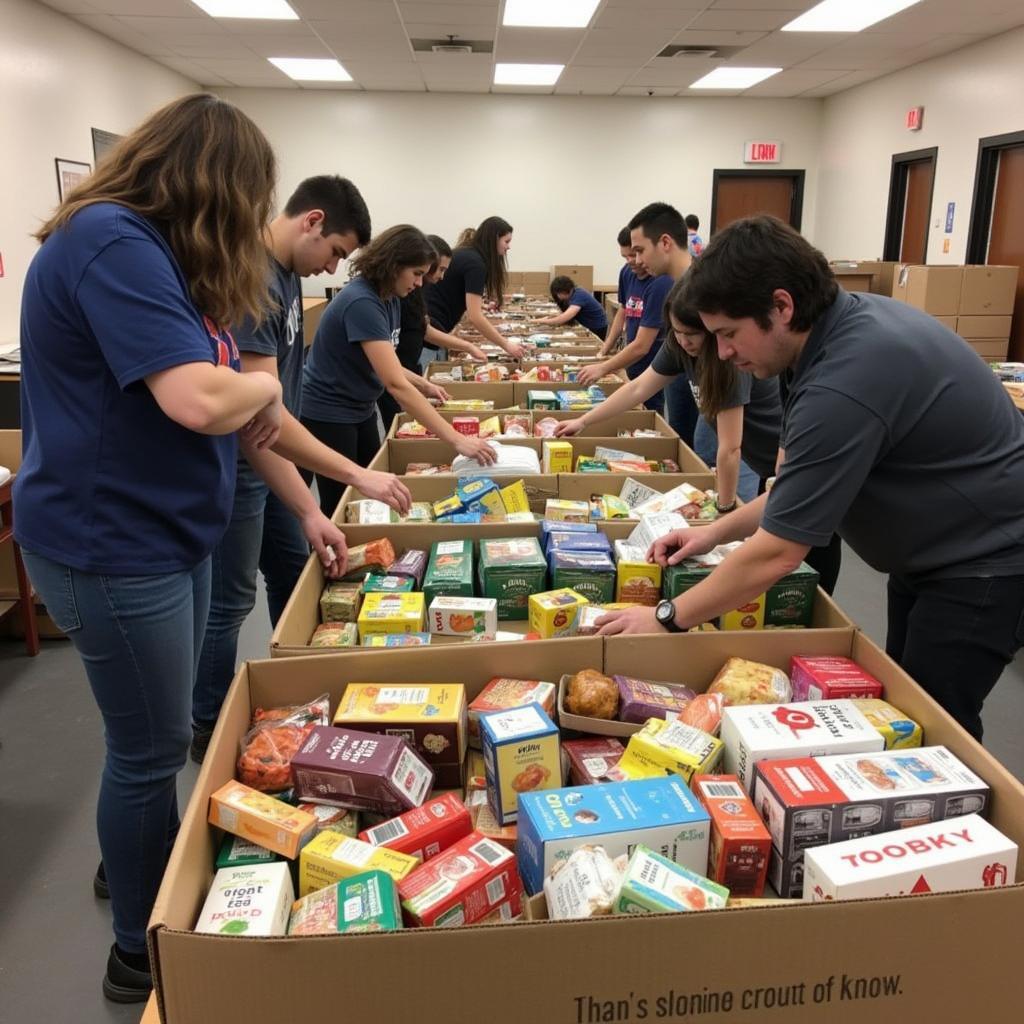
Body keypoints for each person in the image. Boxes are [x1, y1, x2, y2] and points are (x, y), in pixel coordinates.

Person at [14, 94, 291, 1002]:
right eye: (250, 204)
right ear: (213, 185)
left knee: (143, 739)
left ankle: (123, 863)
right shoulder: (112, 243)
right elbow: (203, 401)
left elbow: (226, 399)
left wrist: (249, 392)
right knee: (151, 746)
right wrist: (263, 379)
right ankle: (138, 948)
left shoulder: (148, 255)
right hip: (114, 544)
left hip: (148, 534)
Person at [597, 215, 1024, 744]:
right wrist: (712, 533)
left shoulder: (847, 378)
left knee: (939, 726)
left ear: (781, 306)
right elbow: (791, 491)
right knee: (906, 707)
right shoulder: (831, 334)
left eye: (729, 333)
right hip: (928, 553)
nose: (722, 353)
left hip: (982, 558)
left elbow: (779, 551)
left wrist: (667, 617)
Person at [192, 176, 415, 764]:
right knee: (230, 602)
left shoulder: (288, 276)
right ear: (311, 221)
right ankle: (207, 721)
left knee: (297, 570)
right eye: (336, 251)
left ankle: (301, 692)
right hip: (247, 470)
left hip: (274, 464)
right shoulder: (257, 281)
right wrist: (343, 484)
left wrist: (308, 507)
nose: (331, 267)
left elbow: (273, 408)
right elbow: (257, 424)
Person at [301, 224, 496, 516]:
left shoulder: (389, 299)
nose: (421, 283)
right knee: (342, 502)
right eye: (417, 273)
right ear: (393, 264)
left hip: (360, 407)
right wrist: (456, 439)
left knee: (374, 492)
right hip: (330, 412)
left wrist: (423, 384)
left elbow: (389, 362)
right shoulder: (362, 301)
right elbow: (395, 384)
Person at [377, 235, 486, 429]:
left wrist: (468, 346)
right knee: (402, 428)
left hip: (408, 370)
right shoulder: (395, 295)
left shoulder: (413, 292)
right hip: (396, 376)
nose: (441, 276)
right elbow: (390, 370)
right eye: (441, 269)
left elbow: (423, 329)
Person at [576, 217, 669, 416]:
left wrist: (604, 367)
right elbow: (623, 312)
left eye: (634, 255)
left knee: (651, 413)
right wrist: (604, 349)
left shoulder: (659, 283)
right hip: (630, 359)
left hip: (653, 363)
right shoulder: (626, 273)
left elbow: (643, 346)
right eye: (625, 256)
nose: (631, 262)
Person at [625, 201, 700, 446]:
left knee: (705, 448)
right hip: (684, 378)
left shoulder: (703, 289)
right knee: (683, 437)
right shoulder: (672, 288)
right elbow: (638, 388)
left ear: (665, 243)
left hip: (728, 404)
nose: (636, 260)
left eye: (639, 250)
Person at [424, 215, 525, 368]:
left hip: (433, 326)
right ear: (494, 239)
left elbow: (460, 296)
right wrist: (506, 345)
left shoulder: (469, 255)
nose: (508, 247)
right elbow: (475, 316)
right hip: (428, 331)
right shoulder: (476, 264)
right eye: (506, 241)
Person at [537, 275, 609, 339]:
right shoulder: (575, 292)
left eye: (558, 294)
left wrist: (539, 321)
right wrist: (550, 318)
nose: (557, 296)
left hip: (596, 328)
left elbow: (563, 318)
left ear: (564, 292)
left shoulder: (579, 296)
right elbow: (565, 315)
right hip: (591, 325)